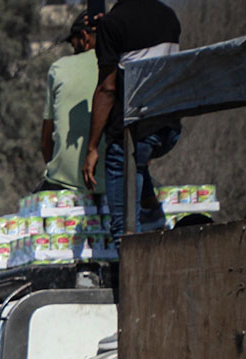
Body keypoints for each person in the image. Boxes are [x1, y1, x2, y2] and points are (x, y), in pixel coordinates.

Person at [82, 0, 183, 242]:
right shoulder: (168, 15)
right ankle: (154, 217)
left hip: (135, 131)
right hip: (168, 127)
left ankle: (136, 252)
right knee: (138, 159)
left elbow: (107, 89)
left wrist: (92, 147)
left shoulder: (113, 24)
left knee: (123, 230)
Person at [40, 12, 104, 193]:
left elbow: (45, 142)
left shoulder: (59, 68)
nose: (73, 49)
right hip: (115, 182)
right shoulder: (122, 65)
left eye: (73, 43)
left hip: (65, 183)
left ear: (84, 37)